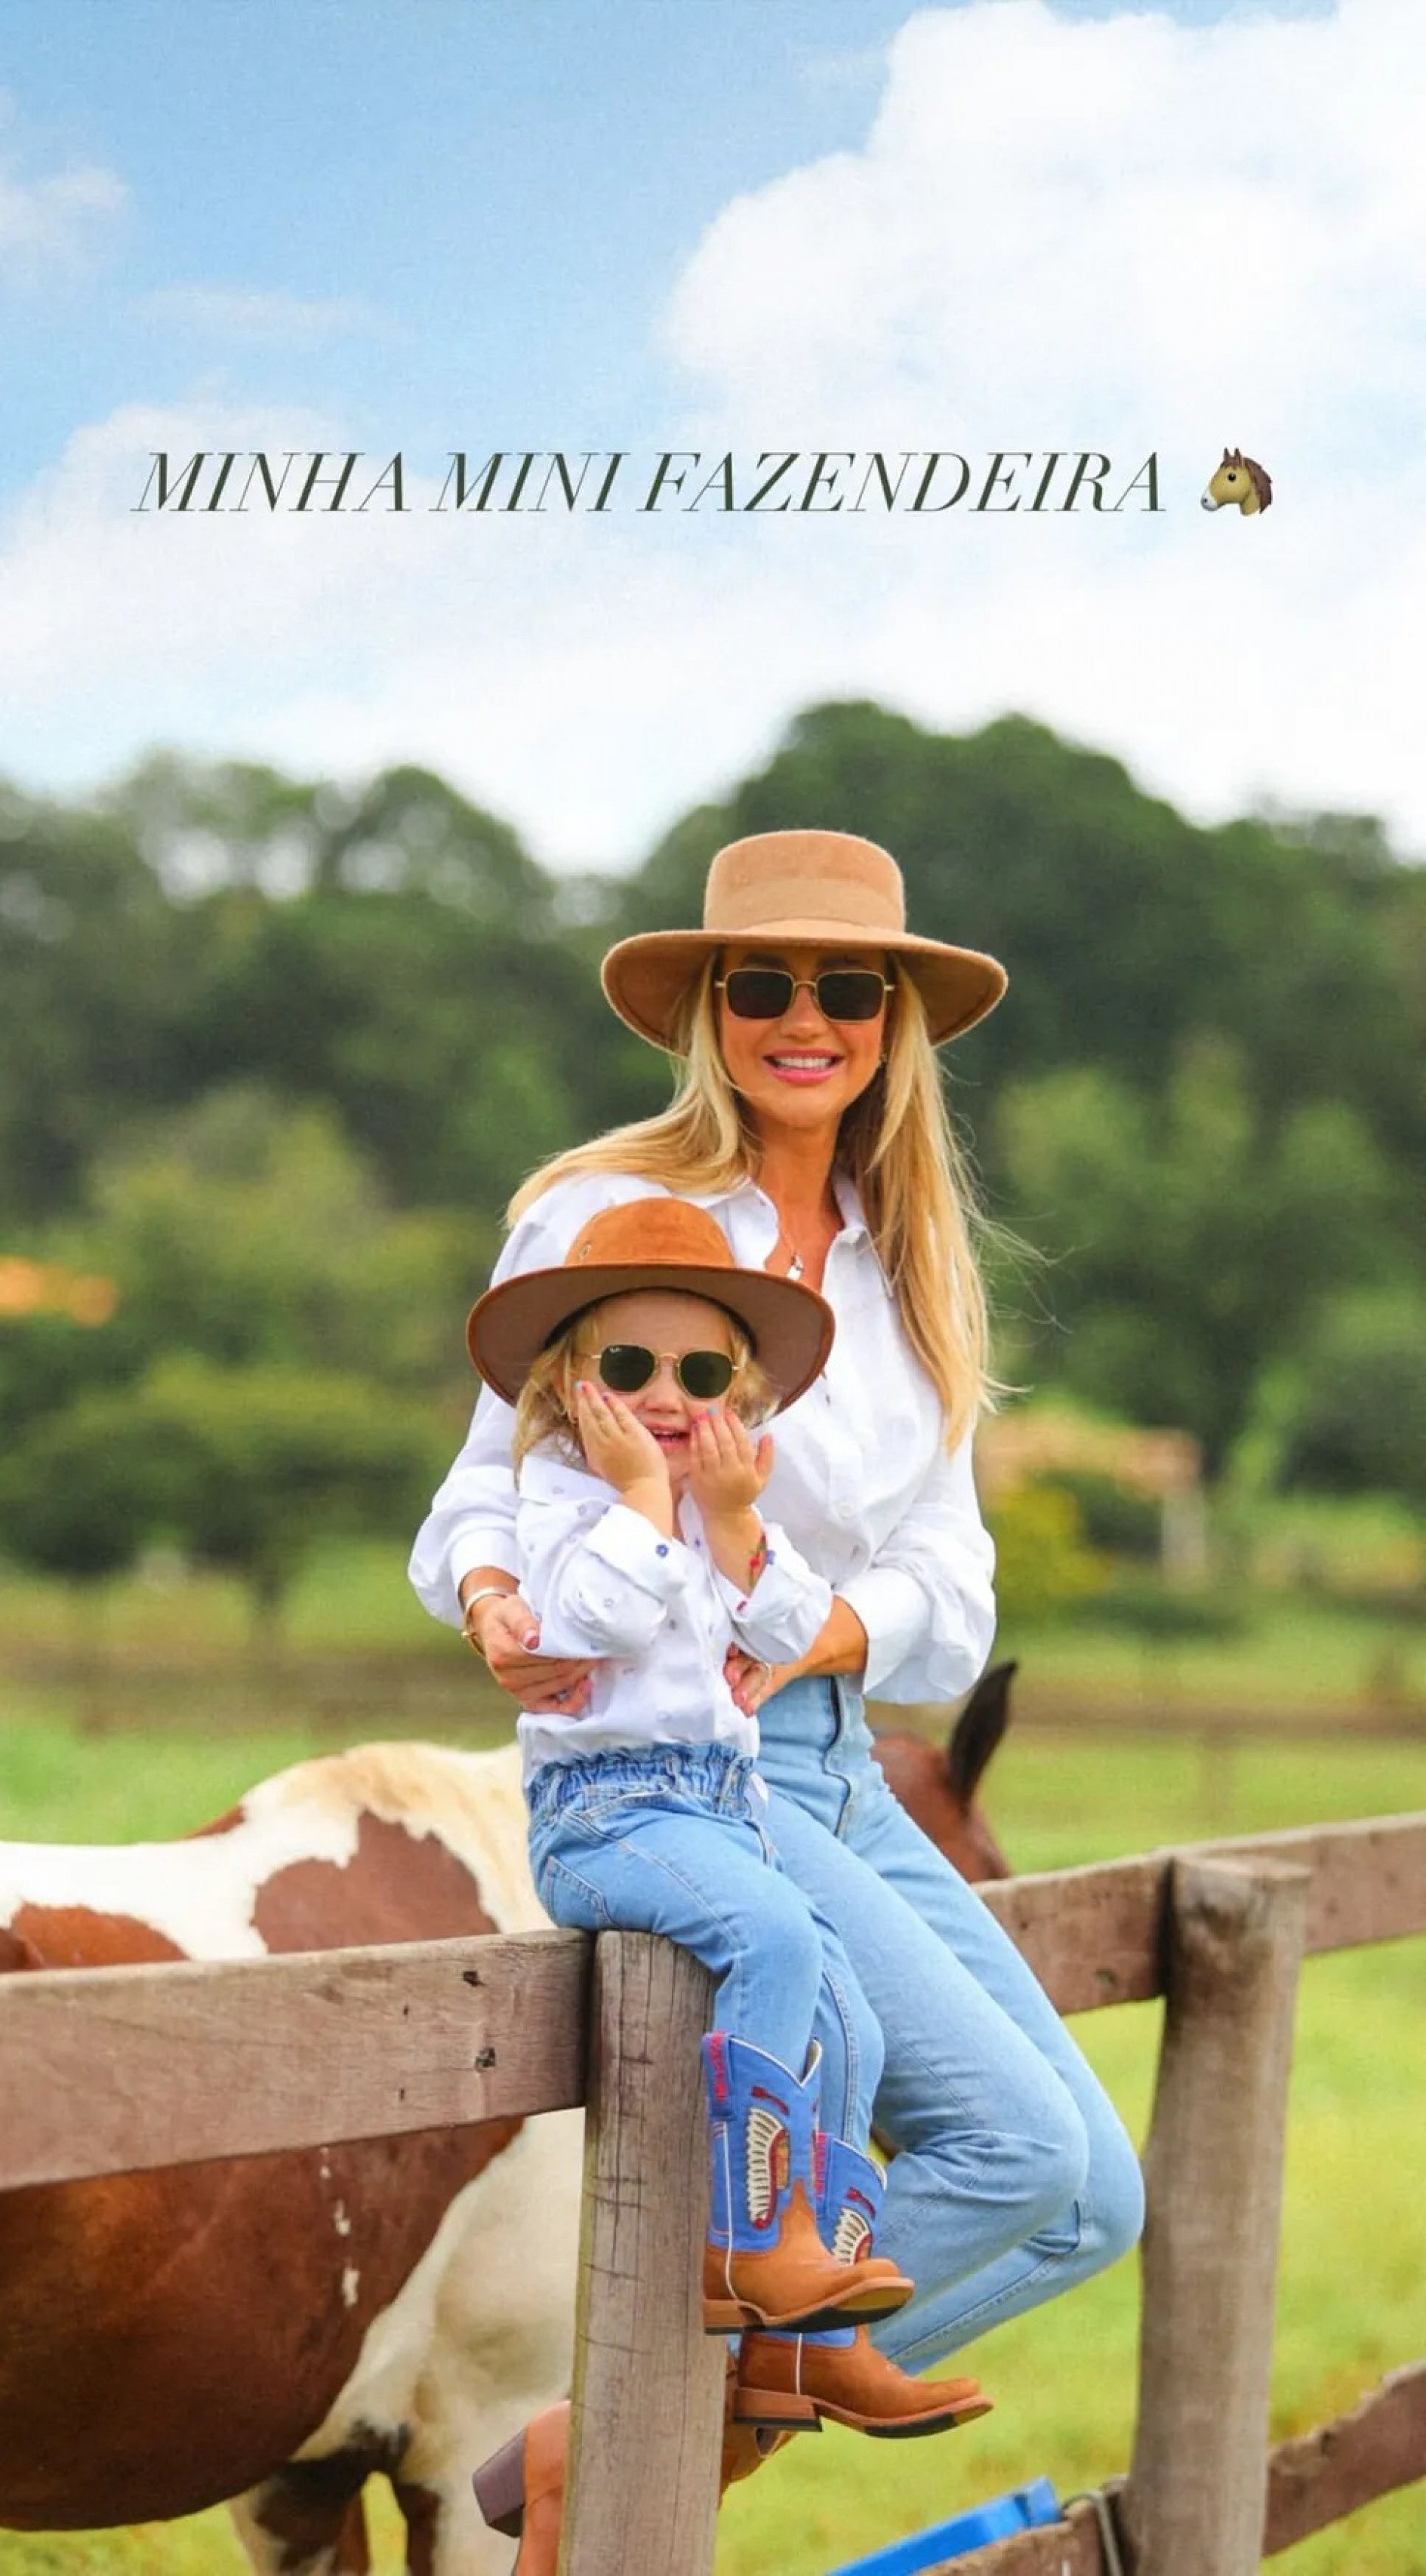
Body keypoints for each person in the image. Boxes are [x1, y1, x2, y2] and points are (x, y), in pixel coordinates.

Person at [412, 829, 1144, 2534]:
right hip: (688, 1767)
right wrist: (498, 1599)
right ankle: (629, 2454)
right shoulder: (603, 1214)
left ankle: (609, 2449)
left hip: (839, 1747)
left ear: (896, 1021)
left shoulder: (918, 1273)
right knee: (1020, 2163)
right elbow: (470, 1495)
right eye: (762, 983)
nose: (801, 1019)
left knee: (1094, 2196)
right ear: (710, 1011)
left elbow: (954, 1592)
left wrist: (818, 1629)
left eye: (845, 989)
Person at [464, 1196, 988, 2564]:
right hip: (606, 1818)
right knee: (776, 1943)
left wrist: (743, 1528)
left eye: (701, 1377)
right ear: (570, 1387)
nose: (665, 1400)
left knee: (855, 2021)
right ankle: (744, 2241)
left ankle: (806, 2337)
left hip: (718, 1806)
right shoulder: (563, 1502)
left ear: (742, 1399)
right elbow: (592, 1621)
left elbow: (787, 1630)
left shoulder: (716, 1507)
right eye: (627, 1371)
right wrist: (648, 1501)